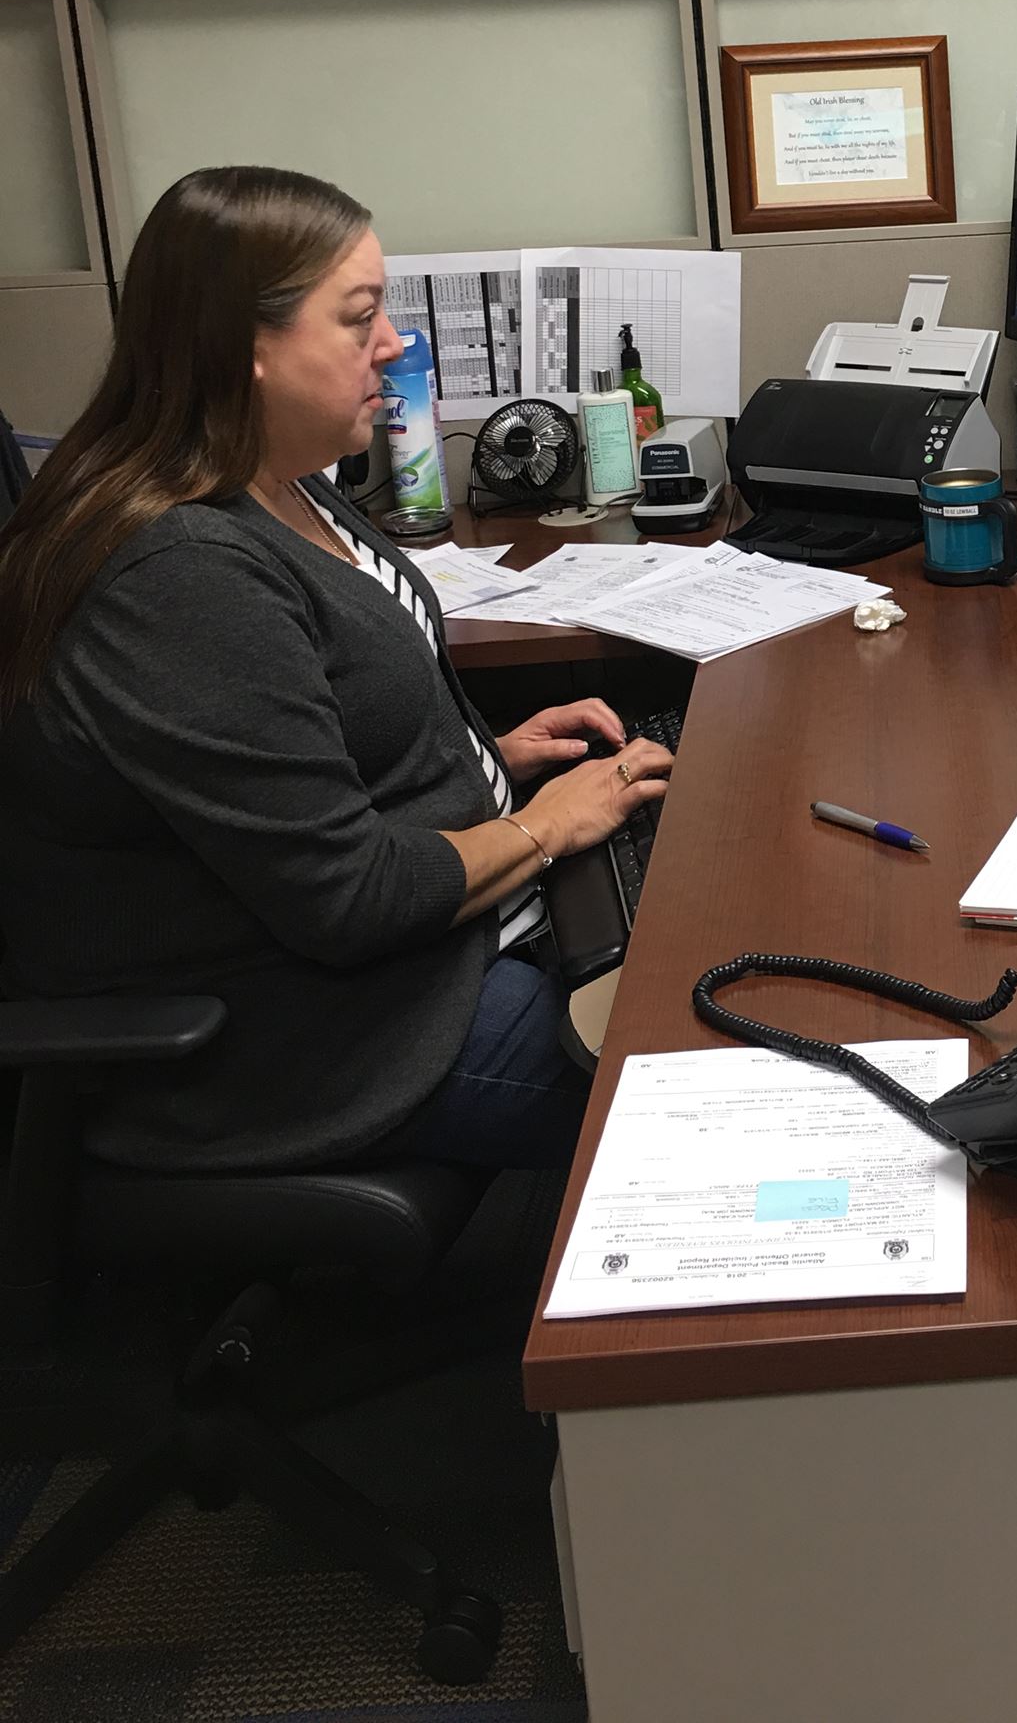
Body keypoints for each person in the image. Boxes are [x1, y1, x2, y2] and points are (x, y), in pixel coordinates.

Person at [0, 166, 671, 1176]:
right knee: (704, 1071)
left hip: (441, 949)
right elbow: (346, 896)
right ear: (246, 346)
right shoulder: (177, 575)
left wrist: (489, 757)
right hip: (328, 1041)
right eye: (360, 318)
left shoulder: (281, 481)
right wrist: (547, 825)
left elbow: (303, 755)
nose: (393, 343)